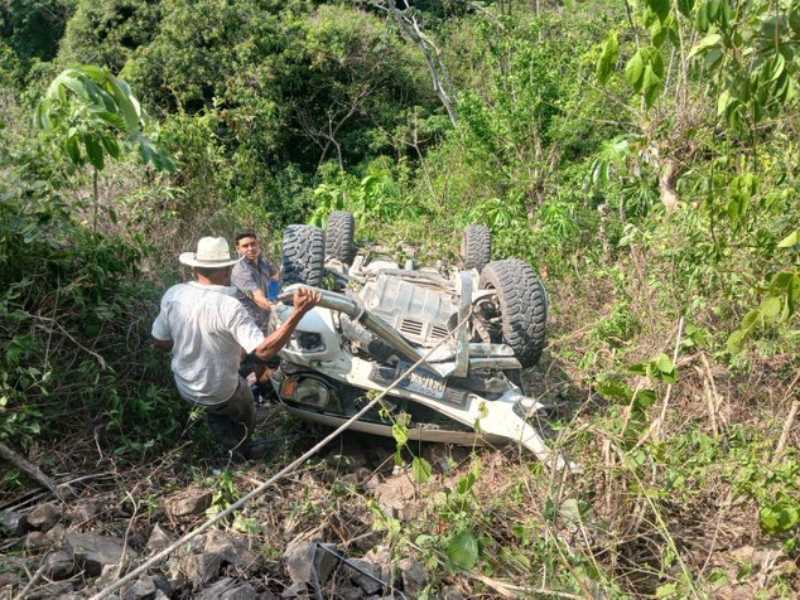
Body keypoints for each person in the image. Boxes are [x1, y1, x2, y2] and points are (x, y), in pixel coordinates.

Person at [151, 236, 320, 460]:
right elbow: (263, 352)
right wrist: (299, 313)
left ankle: (215, 431)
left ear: (195, 268)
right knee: (245, 403)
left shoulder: (173, 294)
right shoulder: (228, 306)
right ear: (227, 269)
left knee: (225, 396)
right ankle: (241, 450)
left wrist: (191, 345)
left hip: (184, 384)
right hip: (219, 391)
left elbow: (159, 341)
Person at [231, 231, 280, 330]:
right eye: (245, 246)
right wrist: (279, 310)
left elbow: (275, 277)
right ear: (238, 249)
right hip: (250, 324)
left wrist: (273, 297)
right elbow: (258, 298)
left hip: (267, 318)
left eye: (253, 244)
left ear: (258, 244)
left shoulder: (263, 262)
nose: (250, 248)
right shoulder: (240, 270)